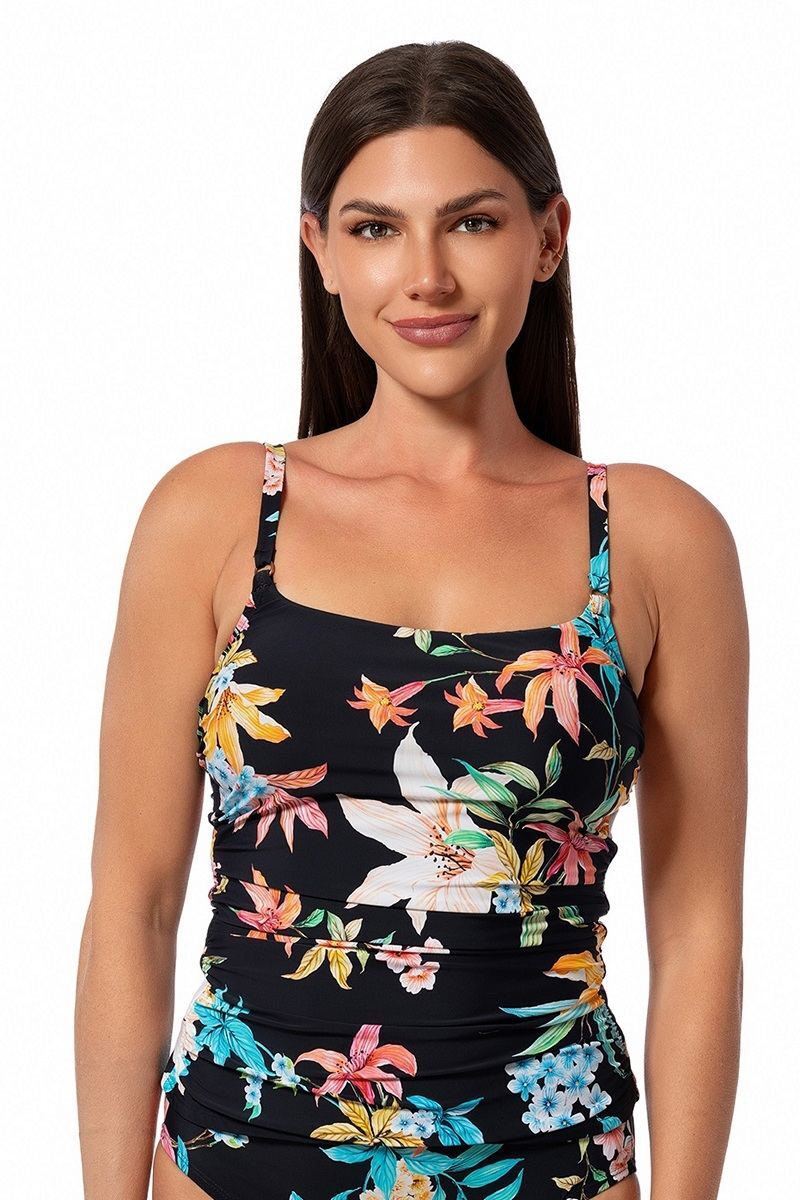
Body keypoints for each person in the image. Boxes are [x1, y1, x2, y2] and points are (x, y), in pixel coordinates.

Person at [74, 40, 747, 1200]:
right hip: (239, 1165)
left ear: (547, 237)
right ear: (320, 250)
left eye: (471, 222)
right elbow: (132, 905)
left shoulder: (653, 538)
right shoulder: (215, 513)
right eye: (376, 227)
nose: (425, 275)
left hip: (547, 1167)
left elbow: (697, 936)